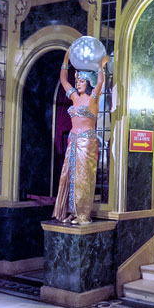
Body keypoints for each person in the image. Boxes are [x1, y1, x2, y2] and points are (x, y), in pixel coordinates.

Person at [52, 49, 108, 225]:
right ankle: (71, 211)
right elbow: (63, 80)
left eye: (82, 81)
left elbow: (100, 81)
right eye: (77, 81)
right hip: (73, 141)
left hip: (87, 142)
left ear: (88, 82)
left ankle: (82, 214)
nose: (78, 83)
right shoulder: (75, 97)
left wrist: (99, 65)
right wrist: (66, 60)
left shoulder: (93, 98)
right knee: (70, 177)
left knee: (83, 179)